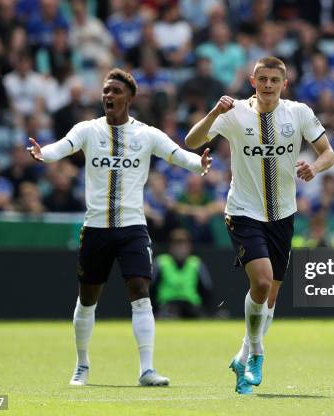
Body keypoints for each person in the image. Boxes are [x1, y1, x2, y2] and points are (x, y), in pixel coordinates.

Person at [27, 68, 212, 387]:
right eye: (105, 91)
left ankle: (147, 369)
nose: (108, 96)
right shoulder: (87, 129)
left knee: (140, 293)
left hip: (132, 228)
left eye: (114, 91)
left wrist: (199, 164)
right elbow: (63, 146)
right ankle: (82, 365)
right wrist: (43, 155)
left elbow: (176, 155)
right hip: (95, 228)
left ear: (130, 97)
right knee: (87, 299)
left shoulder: (146, 134)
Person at [185, 56, 334, 394]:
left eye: (275, 80)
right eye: (263, 79)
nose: (268, 85)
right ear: (253, 81)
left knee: (269, 298)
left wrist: (316, 168)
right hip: (243, 212)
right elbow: (192, 142)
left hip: (283, 214)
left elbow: (329, 153)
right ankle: (256, 353)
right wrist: (213, 113)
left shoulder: (298, 113)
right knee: (263, 282)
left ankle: (241, 358)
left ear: (285, 83)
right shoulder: (234, 111)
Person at [151, 228, 214, 318]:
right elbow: (151, 289)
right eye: (176, 244)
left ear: (189, 246)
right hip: (167, 305)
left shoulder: (196, 263)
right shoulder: (160, 262)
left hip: (191, 305)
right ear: (171, 247)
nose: (180, 248)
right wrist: (155, 310)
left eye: (183, 244)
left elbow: (207, 290)